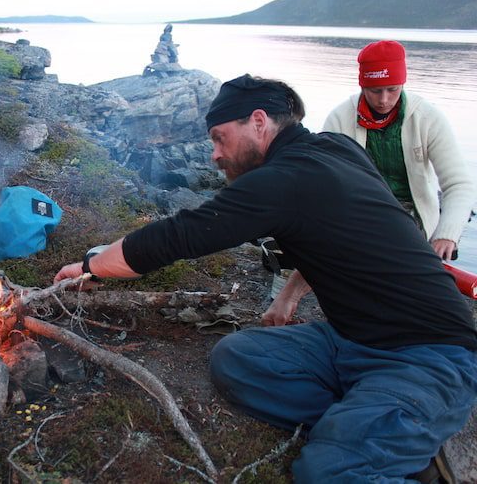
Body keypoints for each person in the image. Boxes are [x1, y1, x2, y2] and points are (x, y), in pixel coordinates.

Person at [54, 74, 477, 481]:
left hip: (427, 354)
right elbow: (334, 235)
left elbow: (179, 235)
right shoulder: (336, 148)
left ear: (258, 121)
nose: (215, 154)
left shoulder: (283, 180)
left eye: (220, 138)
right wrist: (289, 295)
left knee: (330, 473)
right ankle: (374, 427)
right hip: (351, 337)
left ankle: (379, 437)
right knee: (238, 358)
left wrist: (90, 268)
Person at [324, 39, 474, 261]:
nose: (384, 100)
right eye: (375, 91)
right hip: (360, 212)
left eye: (392, 89)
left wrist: (446, 235)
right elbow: (323, 180)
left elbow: (459, 184)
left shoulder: (428, 118)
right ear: (362, 85)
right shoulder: (339, 119)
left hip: (413, 217)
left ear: (402, 84)